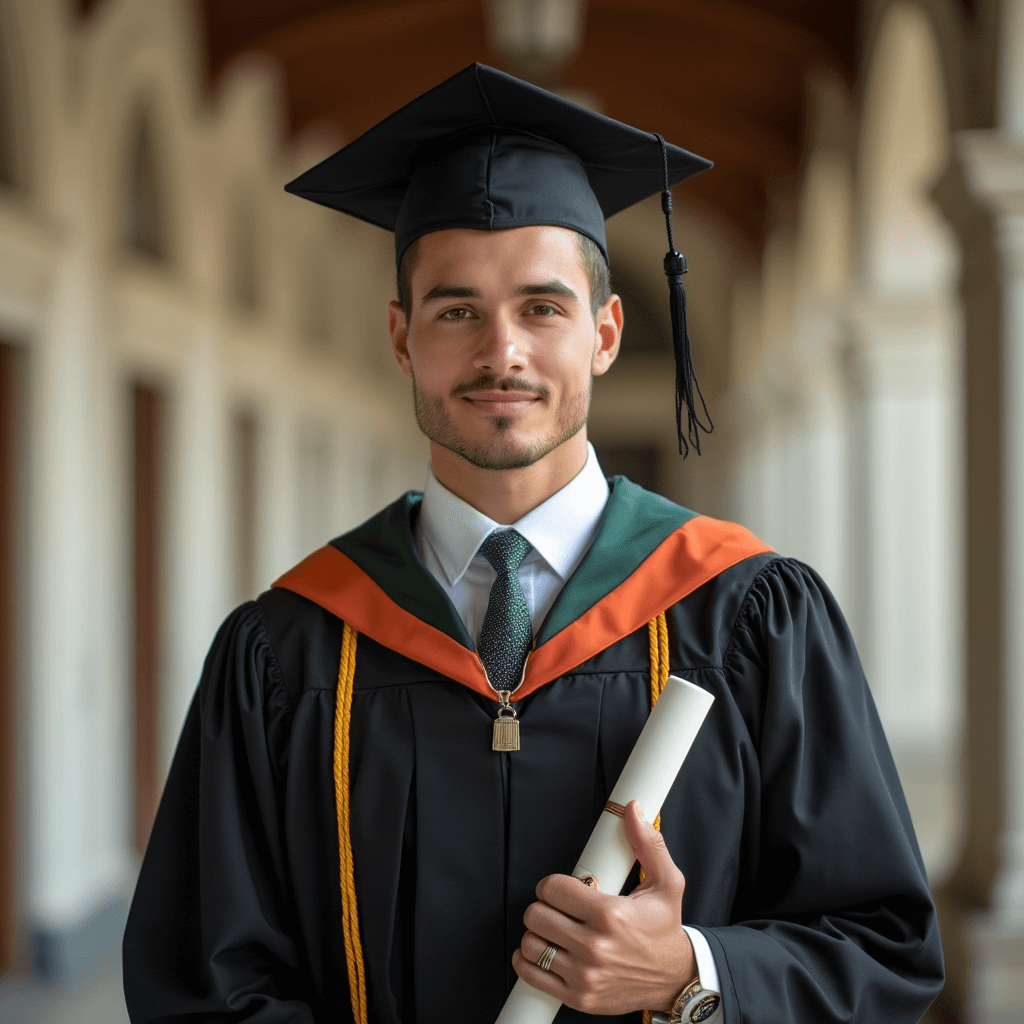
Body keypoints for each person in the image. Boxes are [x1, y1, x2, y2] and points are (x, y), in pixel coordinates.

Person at [122, 64, 944, 1024]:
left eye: (542, 308)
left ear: (604, 332)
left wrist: (694, 974)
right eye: (456, 309)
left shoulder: (748, 615)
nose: (499, 351)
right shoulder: (288, 649)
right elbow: (200, 986)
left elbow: (885, 952)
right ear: (402, 337)